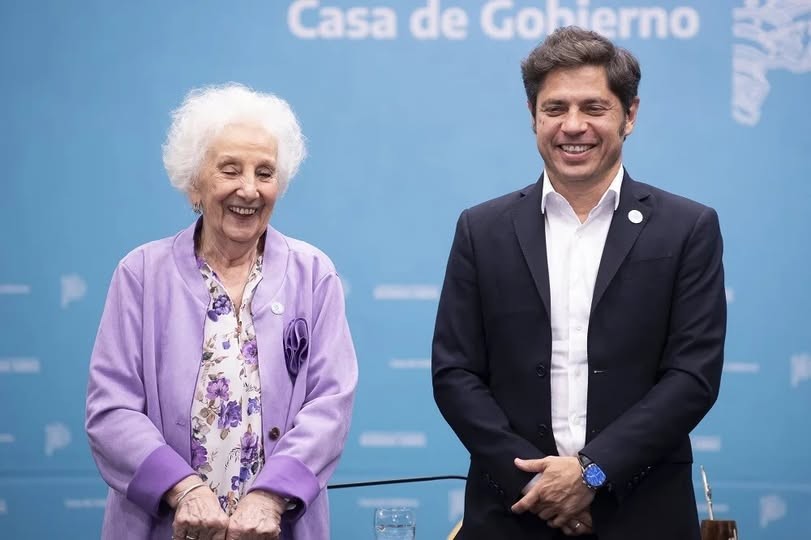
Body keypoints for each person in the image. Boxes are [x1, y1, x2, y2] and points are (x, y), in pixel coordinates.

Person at [432, 27, 726, 540]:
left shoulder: (687, 228)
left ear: (629, 115)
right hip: (513, 513)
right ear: (533, 115)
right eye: (555, 108)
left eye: (594, 108)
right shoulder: (482, 229)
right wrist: (537, 486)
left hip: (642, 517)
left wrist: (593, 473)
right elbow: (455, 372)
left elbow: (691, 377)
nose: (573, 126)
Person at [85, 83, 358, 540]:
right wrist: (185, 491)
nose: (249, 189)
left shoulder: (314, 274)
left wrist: (269, 498)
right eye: (230, 170)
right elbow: (111, 410)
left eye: (265, 173)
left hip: (275, 528)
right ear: (195, 182)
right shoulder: (141, 274)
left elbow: (330, 405)